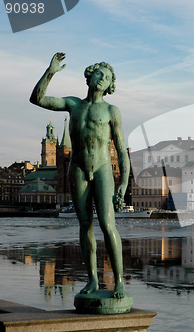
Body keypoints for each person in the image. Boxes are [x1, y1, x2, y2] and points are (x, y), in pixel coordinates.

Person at [30, 53, 130, 298]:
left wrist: (124, 183)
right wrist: (50, 71)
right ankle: (93, 280)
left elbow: (122, 150)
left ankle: (118, 281)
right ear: (89, 76)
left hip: (103, 169)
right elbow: (37, 98)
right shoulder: (73, 104)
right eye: (99, 73)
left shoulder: (111, 111)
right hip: (77, 169)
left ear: (109, 86)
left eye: (106, 78)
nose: (101, 79)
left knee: (107, 224)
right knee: (85, 225)